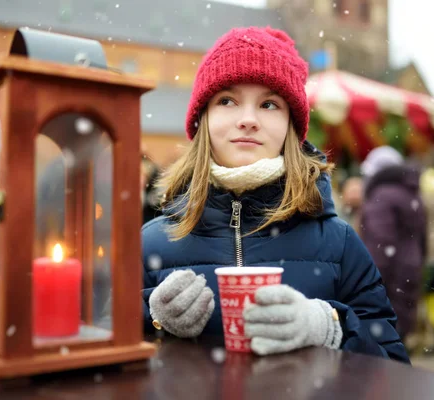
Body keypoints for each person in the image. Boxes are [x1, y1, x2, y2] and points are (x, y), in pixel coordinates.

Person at [141, 27, 408, 363]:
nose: (248, 119)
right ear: (203, 119)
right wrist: (153, 320)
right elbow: (101, 360)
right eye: (227, 100)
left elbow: (392, 364)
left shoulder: (339, 244)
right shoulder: (150, 243)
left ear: (290, 127)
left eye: (269, 104)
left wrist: (330, 328)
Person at [359, 146, 426, 343]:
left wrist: (368, 281)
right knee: (398, 339)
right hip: (408, 272)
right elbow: (422, 241)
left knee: (382, 345)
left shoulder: (382, 196)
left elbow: (380, 243)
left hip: (389, 277)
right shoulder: (411, 194)